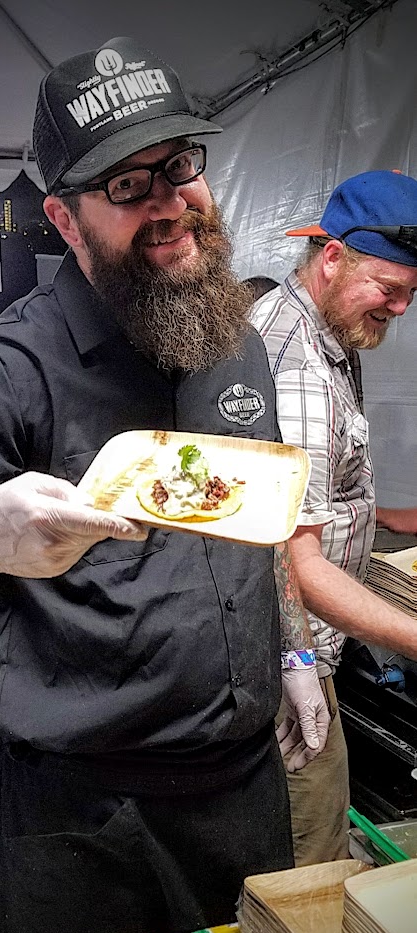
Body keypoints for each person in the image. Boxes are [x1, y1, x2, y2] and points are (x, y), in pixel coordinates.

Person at [0, 36, 330, 933]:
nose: (168, 203)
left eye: (180, 166)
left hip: (244, 794)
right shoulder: (4, 367)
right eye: (126, 186)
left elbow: (264, 520)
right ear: (61, 214)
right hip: (80, 822)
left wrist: (292, 654)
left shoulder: (232, 335)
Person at [250, 169, 417, 867]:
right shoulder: (294, 364)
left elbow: (321, 492)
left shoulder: (325, 330)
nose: (400, 309)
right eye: (388, 288)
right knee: (308, 858)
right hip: (287, 657)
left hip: (303, 647)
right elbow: (296, 562)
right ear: (330, 256)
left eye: (410, 294)